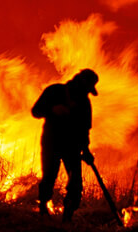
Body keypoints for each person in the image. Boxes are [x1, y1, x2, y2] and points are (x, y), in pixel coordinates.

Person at [31, 68, 99, 222]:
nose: (87, 93)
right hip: (51, 143)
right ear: (79, 84)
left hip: (73, 147)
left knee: (75, 183)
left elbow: (85, 130)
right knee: (49, 176)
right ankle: (42, 208)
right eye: (86, 89)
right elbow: (35, 111)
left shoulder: (85, 103)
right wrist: (52, 110)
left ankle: (68, 216)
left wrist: (86, 150)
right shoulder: (54, 91)